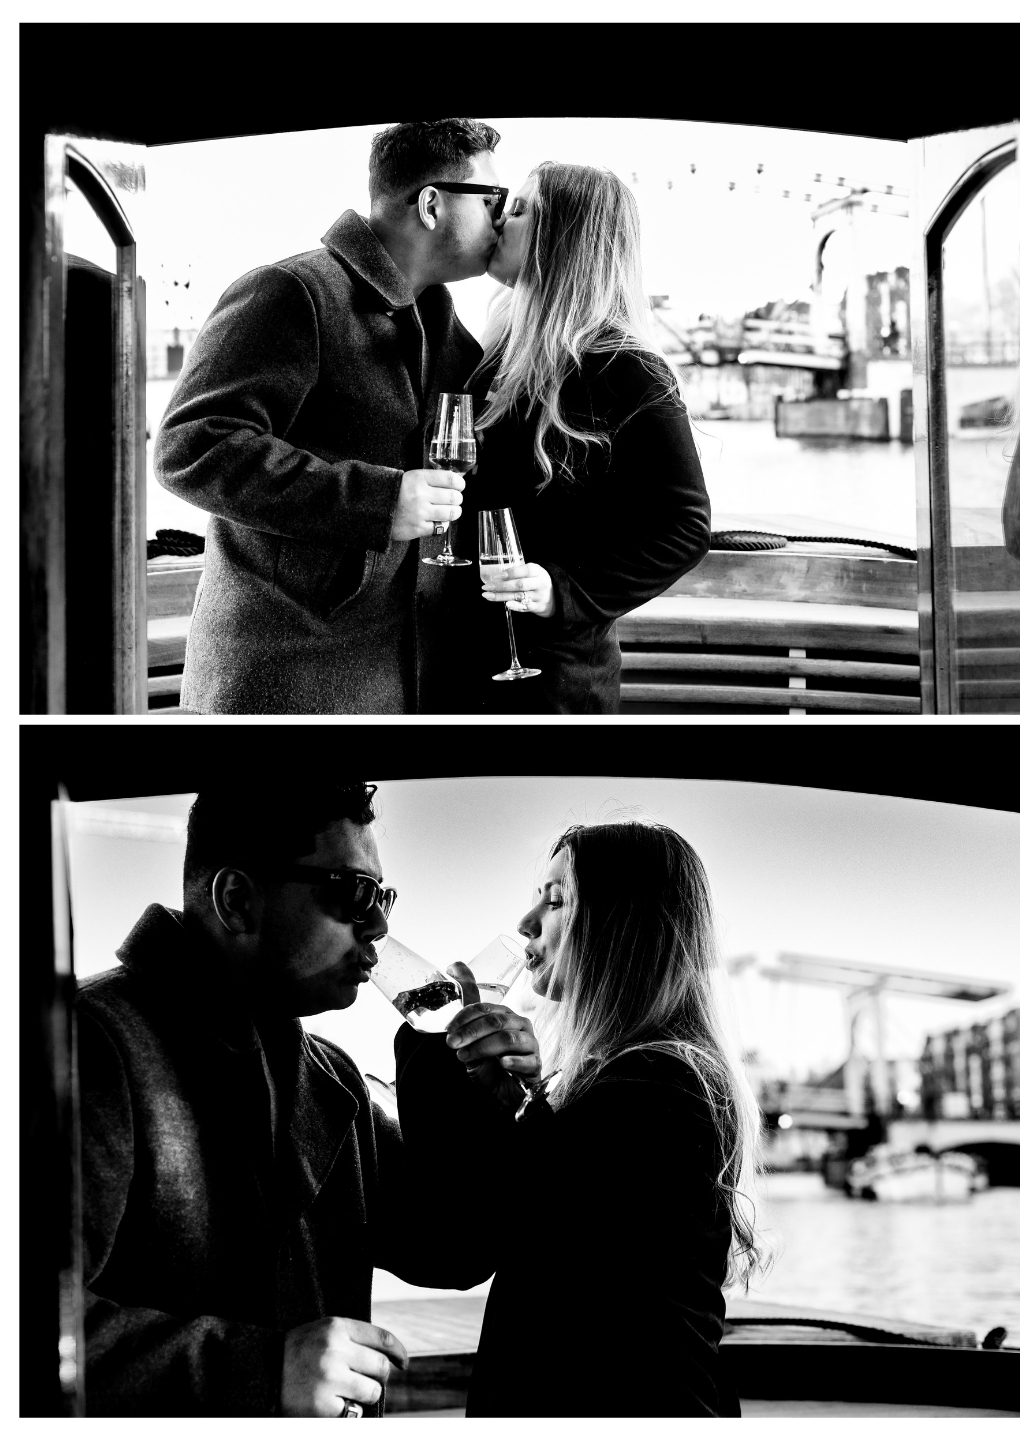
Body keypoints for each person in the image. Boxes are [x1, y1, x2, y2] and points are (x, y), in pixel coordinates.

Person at [75, 779, 540, 1416]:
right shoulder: (89, 1043)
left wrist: (477, 1098)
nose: (379, 925)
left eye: (383, 896)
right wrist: (260, 1373)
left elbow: (451, 1249)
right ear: (237, 900)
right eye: (353, 892)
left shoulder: (332, 1080)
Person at [154, 119, 508, 714]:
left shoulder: (447, 333)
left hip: (397, 679)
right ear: (431, 205)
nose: (500, 216)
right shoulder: (291, 291)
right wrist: (379, 502)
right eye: (492, 198)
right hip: (282, 677)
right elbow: (189, 447)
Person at [436, 819, 766, 1416]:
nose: (526, 922)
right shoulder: (648, 1077)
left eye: (556, 900)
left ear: (622, 926)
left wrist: (435, 1039)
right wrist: (517, 1099)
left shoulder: (654, 1089)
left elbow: (470, 1232)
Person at [443, 163, 712, 713]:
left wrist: (560, 591)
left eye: (520, 210)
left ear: (561, 239)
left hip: (554, 678)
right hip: (463, 660)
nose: (499, 218)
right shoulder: (498, 356)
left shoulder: (627, 369)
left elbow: (685, 528)